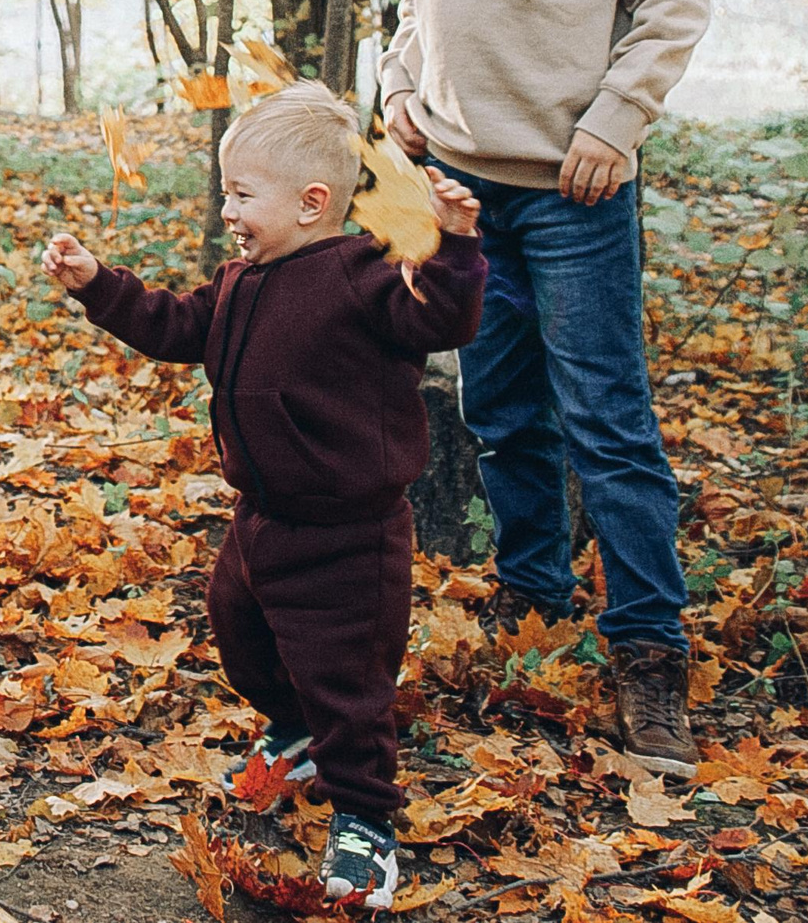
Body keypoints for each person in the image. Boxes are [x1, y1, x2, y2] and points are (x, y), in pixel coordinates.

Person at [377, 0, 714, 778]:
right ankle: (535, 610)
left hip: (570, 195)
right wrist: (397, 90)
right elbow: (419, 4)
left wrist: (617, 118)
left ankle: (648, 650)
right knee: (500, 414)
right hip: (462, 194)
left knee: (608, 426)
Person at [42, 85, 484, 911]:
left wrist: (455, 245)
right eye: (226, 191)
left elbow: (443, 320)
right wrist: (97, 282)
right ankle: (297, 730)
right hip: (261, 519)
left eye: (243, 195)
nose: (227, 210)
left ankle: (365, 822)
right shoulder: (240, 280)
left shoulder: (366, 276)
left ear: (314, 203)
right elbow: (174, 325)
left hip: (350, 533)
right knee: (239, 634)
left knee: (349, 681)